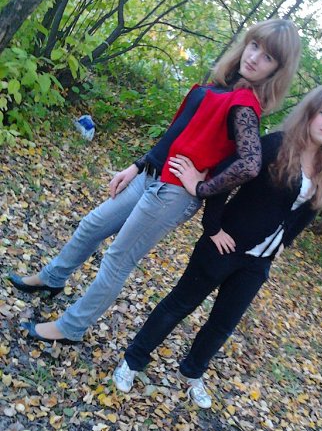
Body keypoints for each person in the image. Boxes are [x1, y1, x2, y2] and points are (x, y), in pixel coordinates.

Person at [10, 19, 301, 344]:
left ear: (277, 70)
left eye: (268, 57)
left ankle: (70, 328)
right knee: (93, 225)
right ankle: (53, 278)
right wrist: (137, 166)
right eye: (255, 46)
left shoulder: (245, 104)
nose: (255, 57)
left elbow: (250, 164)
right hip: (151, 175)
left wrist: (201, 188)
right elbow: (178, 133)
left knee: (118, 259)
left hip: (173, 194)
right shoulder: (224, 87)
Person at [113, 83, 322, 407]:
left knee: (223, 324)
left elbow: (307, 212)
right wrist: (213, 226)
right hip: (223, 245)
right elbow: (226, 176)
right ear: (310, 113)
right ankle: (133, 360)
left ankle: (192, 371)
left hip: (258, 262)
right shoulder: (275, 145)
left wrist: (285, 242)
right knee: (180, 304)